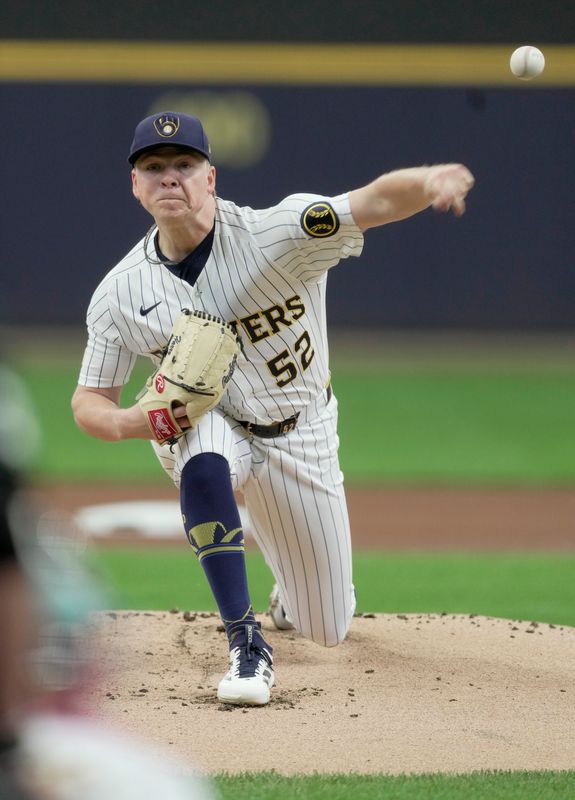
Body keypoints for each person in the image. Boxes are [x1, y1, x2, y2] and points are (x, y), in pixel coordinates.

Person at [72, 111, 474, 706]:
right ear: (136, 186)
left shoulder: (279, 234)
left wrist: (430, 180)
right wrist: (135, 423)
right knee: (202, 455)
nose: (169, 178)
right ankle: (245, 642)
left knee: (326, 626)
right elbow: (89, 401)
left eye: (184, 164)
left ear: (212, 177)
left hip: (301, 431)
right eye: (153, 168)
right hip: (216, 424)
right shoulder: (121, 292)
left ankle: (292, 595)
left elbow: (375, 203)